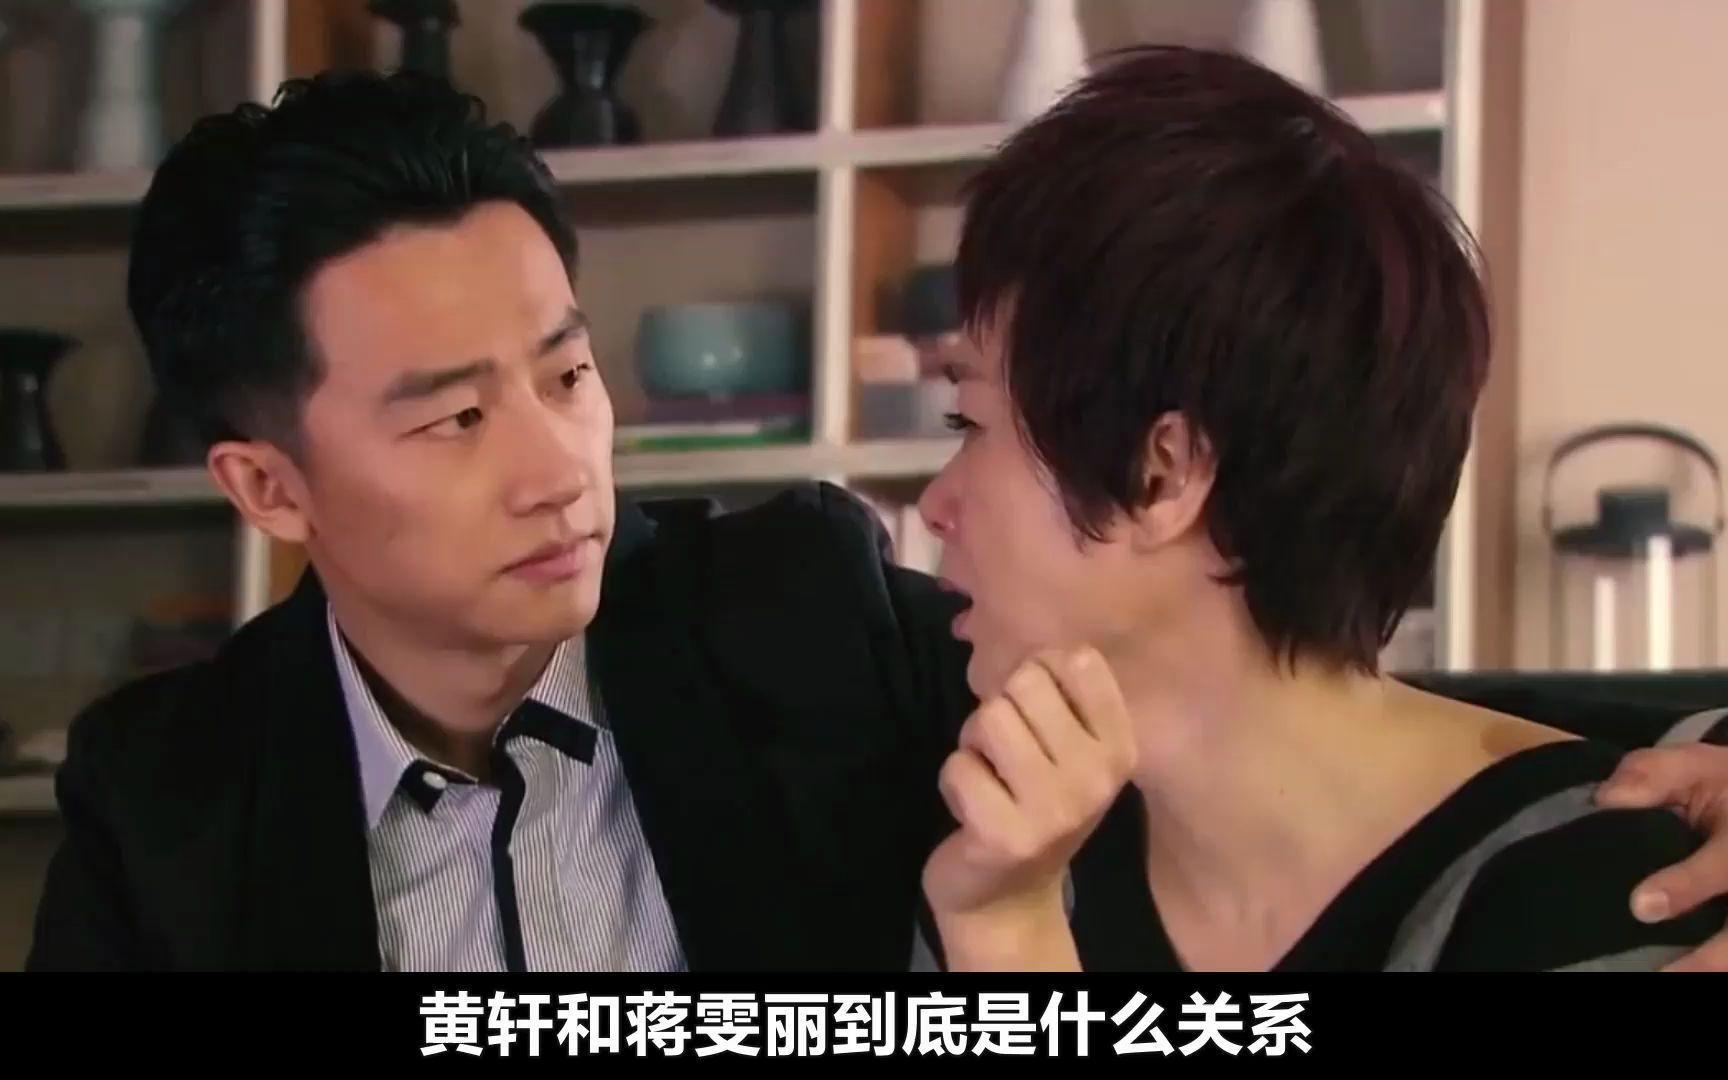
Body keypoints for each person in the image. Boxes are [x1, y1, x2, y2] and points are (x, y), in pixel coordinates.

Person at [23, 68, 1728, 972]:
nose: (558, 467)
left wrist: (1692, 744)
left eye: (569, 372)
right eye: (457, 419)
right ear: (268, 487)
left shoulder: (802, 621)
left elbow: (1262, 673)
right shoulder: (163, 795)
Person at [913, 46, 1728, 971]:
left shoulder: (1599, 892)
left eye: (970, 422)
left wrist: (1010, 943)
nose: (937, 506)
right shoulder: (1014, 849)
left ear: (1163, 474)